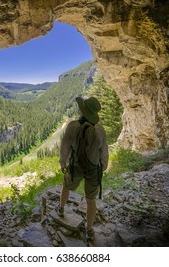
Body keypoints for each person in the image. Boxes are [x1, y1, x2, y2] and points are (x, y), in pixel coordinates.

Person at [58, 96, 108, 242]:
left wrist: (63, 163)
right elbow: (104, 152)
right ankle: (89, 230)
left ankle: (61, 208)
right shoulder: (100, 130)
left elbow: (65, 147)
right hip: (94, 168)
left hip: (76, 165)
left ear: (83, 111)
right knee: (91, 199)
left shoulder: (72, 126)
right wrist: (103, 167)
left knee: (66, 185)